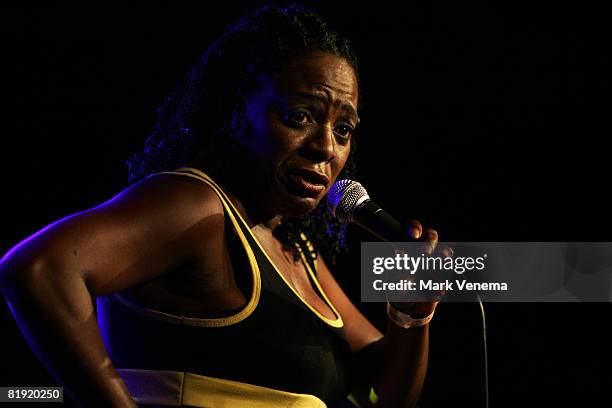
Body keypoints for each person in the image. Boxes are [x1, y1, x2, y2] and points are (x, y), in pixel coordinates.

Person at [0, 5, 450, 407]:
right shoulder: (197, 205)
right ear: (234, 112)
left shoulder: (292, 245)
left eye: (344, 129)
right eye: (300, 117)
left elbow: (382, 396)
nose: (325, 147)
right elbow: (39, 268)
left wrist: (411, 314)